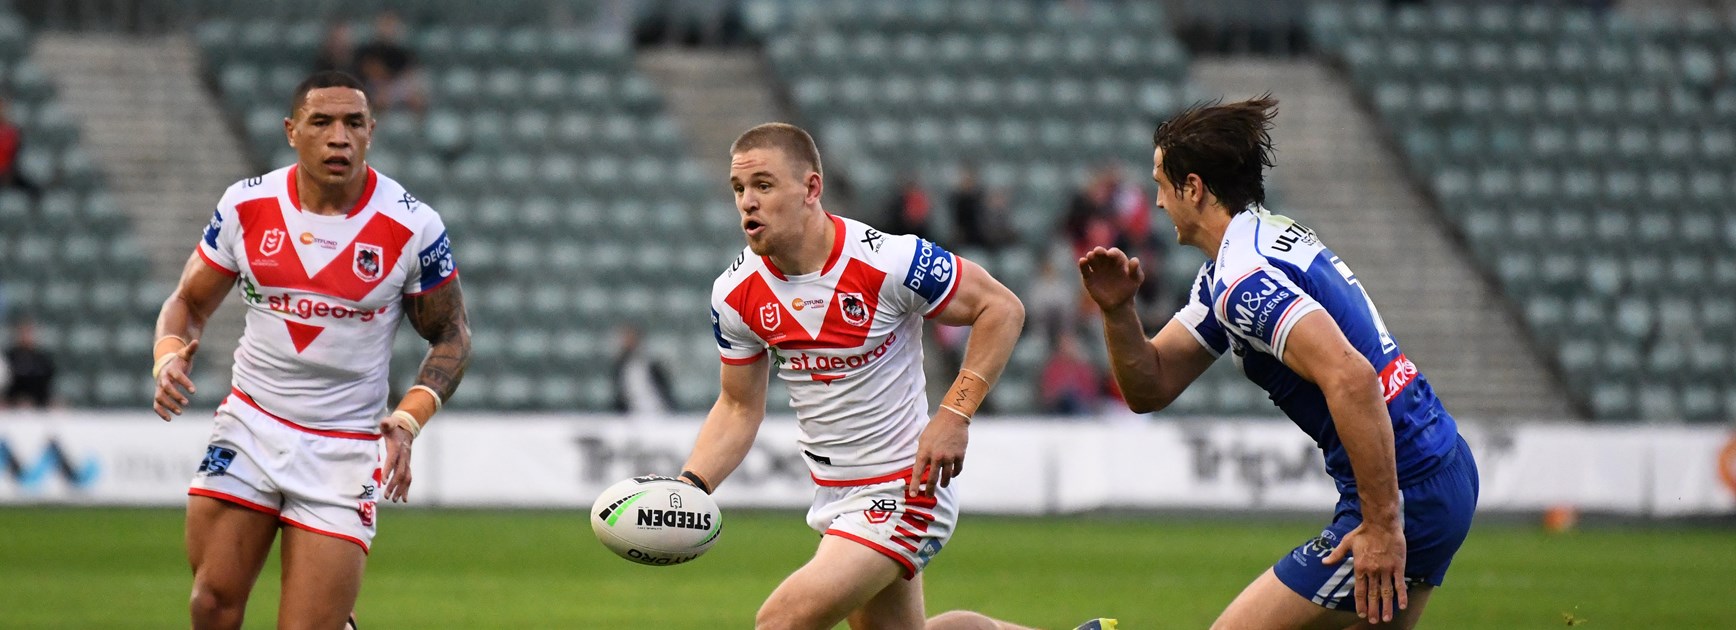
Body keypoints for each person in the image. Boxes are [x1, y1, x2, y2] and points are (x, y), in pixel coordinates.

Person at [1077, 97, 1477, 629]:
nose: (1155, 202)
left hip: (1405, 487)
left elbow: (1353, 379)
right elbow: (1150, 385)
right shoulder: (1247, 252)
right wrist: (1118, 311)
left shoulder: (1243, 277)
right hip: (1437, 465)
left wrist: (1381, 525)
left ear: (1192, 188)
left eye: (1161, 184)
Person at [676, 123, 1066, 630]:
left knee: (782, 621)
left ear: (811, 189)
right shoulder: (735, 293)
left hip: (907, 488)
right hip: (836, 496)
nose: (748, 202)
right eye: (739, 189)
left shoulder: (887, 261)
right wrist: (691, 485)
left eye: (764, 186)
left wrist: (955, 414)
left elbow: (1002, 307)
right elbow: (737, 406)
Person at [149, 71, 470, 630]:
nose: (338, 137)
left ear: (372, 131)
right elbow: (188, 301)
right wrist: (168, 354)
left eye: (353, 123)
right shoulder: (248, 205)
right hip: (250, 425)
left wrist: (408, 419)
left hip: (344, 447)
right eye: (321, 122)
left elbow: (452, 336)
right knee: (210, 603)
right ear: (292, 131)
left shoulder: (411, 225)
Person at [610, 324, 676, 415]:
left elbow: (662, 388)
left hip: (657, 412)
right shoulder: (621, 366)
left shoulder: (650, 364)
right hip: (631, 415)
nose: (627, 342)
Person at [3, 317, 54, 408]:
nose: (26, 336)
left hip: (38, 408)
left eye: (29, 332)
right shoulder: (8, 358)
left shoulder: (43, 360)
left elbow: (46, 386)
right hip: (12, 407)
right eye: (23, 332)